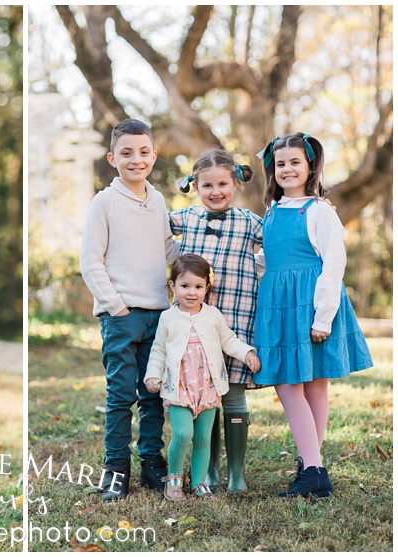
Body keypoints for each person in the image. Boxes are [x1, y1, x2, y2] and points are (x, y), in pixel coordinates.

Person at [252, 133, 373, 498]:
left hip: (311, 303)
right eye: (280, 163)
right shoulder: (271, 213)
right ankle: (312, 464)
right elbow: (270, 259)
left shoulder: (320, 210)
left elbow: (333, 264)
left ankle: (314, 468)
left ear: (310, 167)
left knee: (306, 382)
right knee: (298, 382)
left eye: (294, 162)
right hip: (279, 302)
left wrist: (323, 318)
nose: (287, 169)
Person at [79, 119, 177, 502]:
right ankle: (115, 468)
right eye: (126, 153)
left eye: (143, 152)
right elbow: (91, 261)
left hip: (159, 315)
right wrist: (116, 307)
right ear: (112, 158)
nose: (136, 160)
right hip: (121, 317)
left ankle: (151, 463)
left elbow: (168, 250)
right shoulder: (104, 202)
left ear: (153, 155)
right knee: (121, 395)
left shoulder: (158, 200)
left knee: (153, 393)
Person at [168, 149, 263, 493]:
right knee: (203, 395)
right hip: (195, 325)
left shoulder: (249, 222)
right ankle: (210, 469)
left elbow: (282, 242)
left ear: (235, 183)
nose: (216, 191)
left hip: (236, 318)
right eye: (207, 185)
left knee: (233, 395)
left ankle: (237, 471)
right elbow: (149, 223)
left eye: (223, 183)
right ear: (195, 186)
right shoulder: (185, 218)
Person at [145, 254, 260, 501]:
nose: (191, 292)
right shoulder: (168, 317)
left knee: (203, 438)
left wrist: (247, 352)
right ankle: (174, 478)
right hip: (179, 388)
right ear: (172, 286)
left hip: (208, 388)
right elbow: (159, 349)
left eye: (198, 287)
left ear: (207, 288)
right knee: (184, 433)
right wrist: (152, 375)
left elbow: (228, 341)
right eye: (185, 286)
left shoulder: (212, 315)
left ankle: (199, 484)